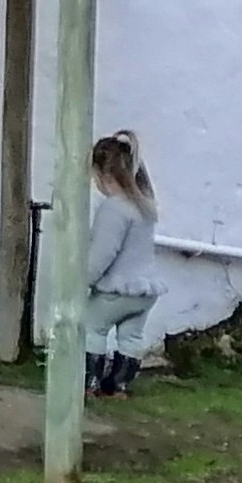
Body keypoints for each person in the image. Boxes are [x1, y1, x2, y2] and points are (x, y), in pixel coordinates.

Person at [83, 131, 159, 396]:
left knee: (92, 326)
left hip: (116, 290)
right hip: (145, 291)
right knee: (131, 336)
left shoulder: (113, 208)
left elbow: (103, 253)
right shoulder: (144, 206)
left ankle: (89, 384)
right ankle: (118, 387)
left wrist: (83, 280)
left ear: (104, 175)